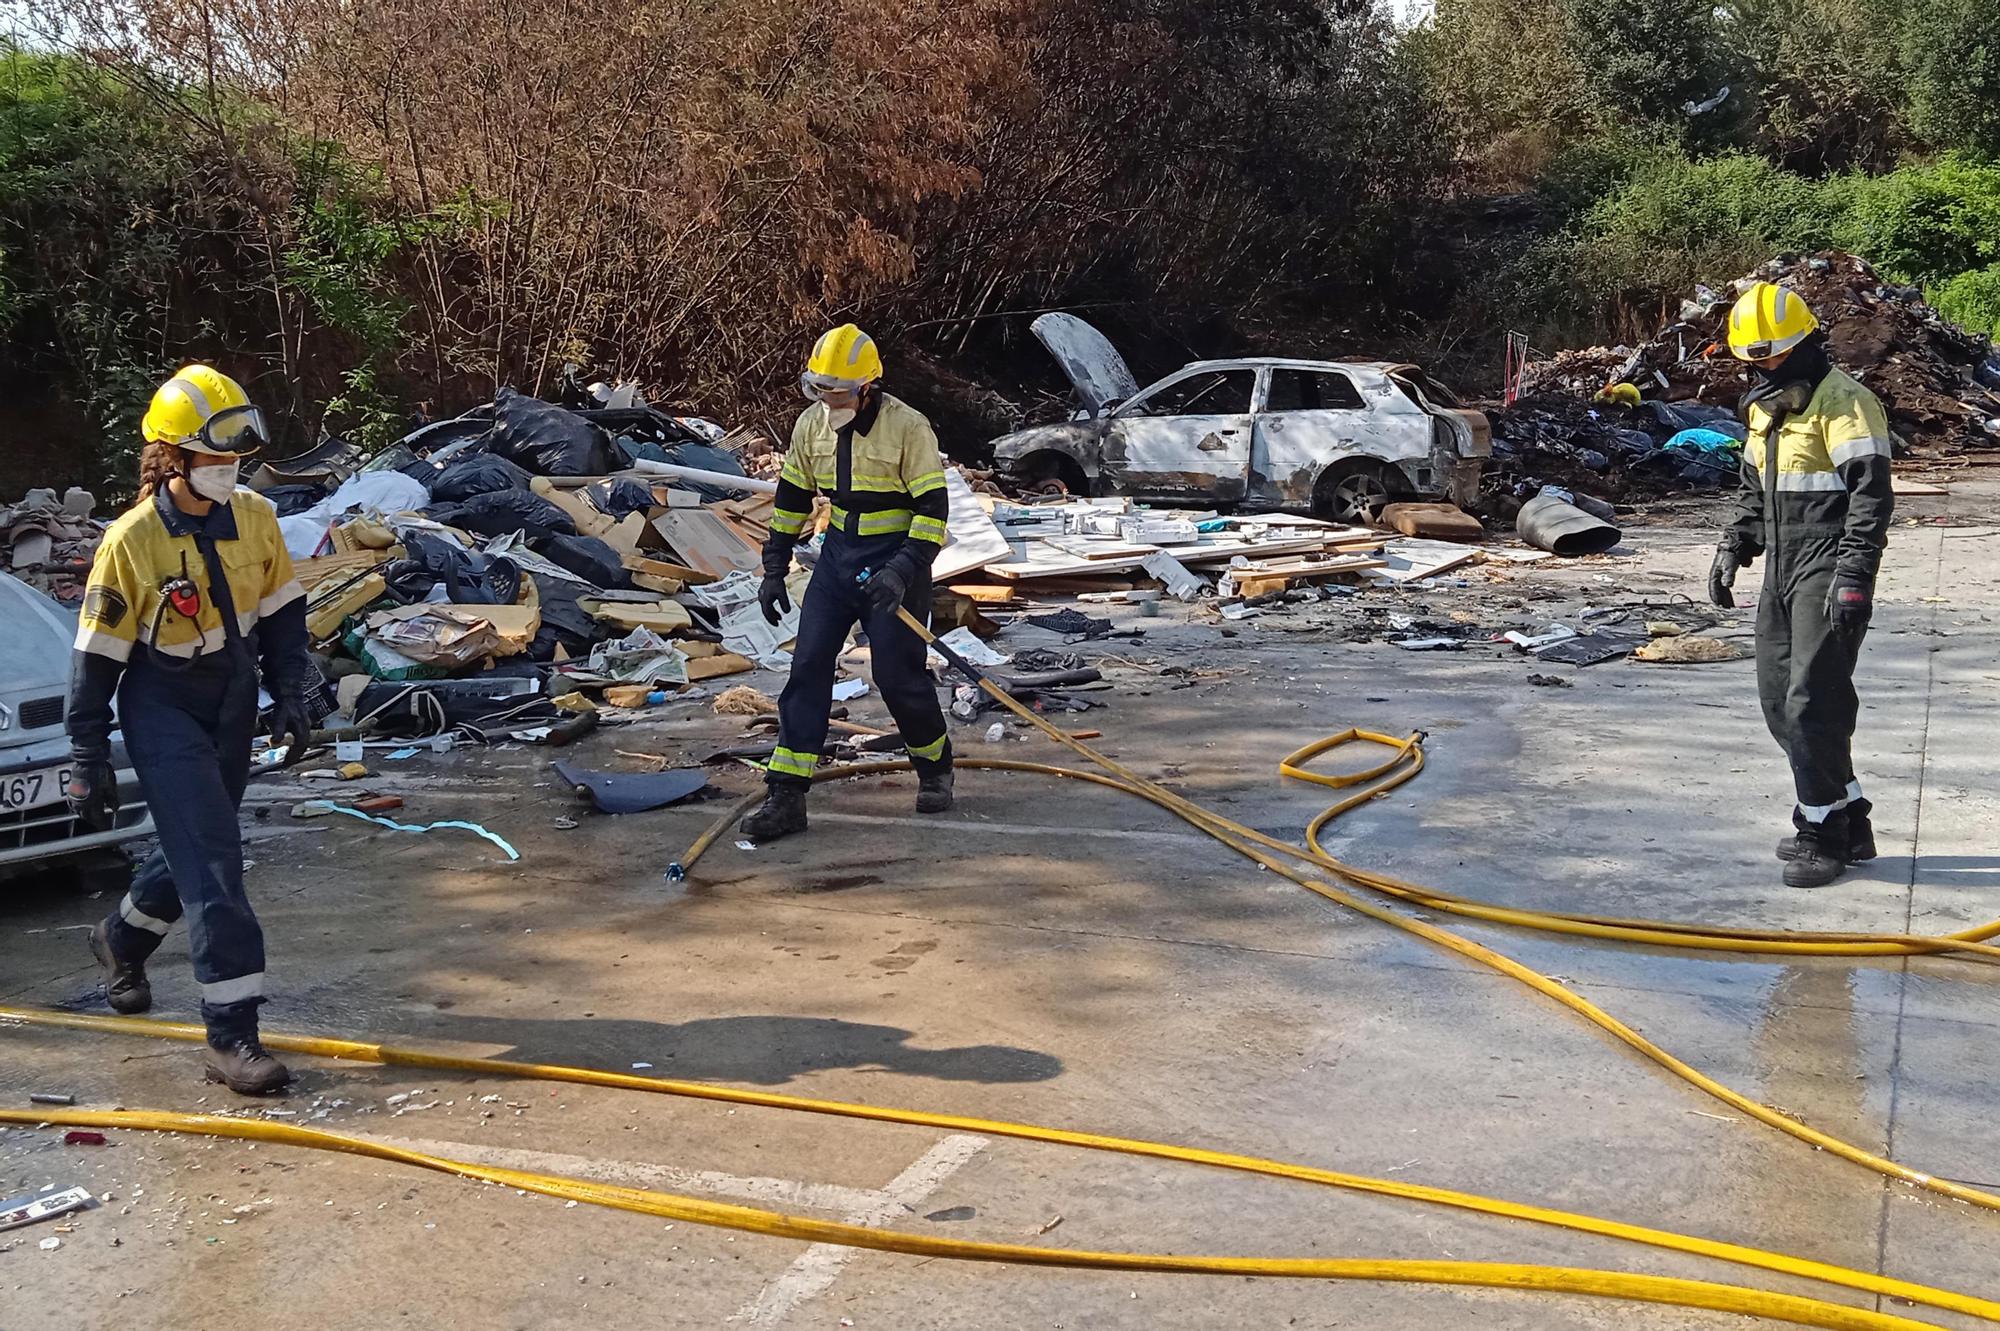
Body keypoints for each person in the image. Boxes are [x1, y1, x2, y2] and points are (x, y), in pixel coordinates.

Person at [67, 365, 314, 1094]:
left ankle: (120, 938)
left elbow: (283, 616)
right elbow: (97, 653)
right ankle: (232, 1036)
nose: (228, 471)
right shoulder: (131, 541)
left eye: (236, 459)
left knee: (192, 846)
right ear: (173, 459)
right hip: (162, 702)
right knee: (213, 858)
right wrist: (87, 751)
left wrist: (292, 692)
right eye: (215, 458)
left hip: (232, 697)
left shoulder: (256, 519)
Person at [1706, 283, 1894, 888]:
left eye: (1771, 355)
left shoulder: (1846, 402)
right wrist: (1735, 544)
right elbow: (1752, 490)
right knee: (1776, 700)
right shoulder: (1765, 405)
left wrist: (1854, 578)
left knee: (1813, 701)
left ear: (1803, 342)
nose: (1761, 366)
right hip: (1782, 568)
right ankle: (1850, 814)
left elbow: (1871, 498)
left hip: (1828, 562)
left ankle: (1822, 834)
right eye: (1753, 359)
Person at [740, 325, 953, 841]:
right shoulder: (809, 427)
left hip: (895, 563)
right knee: (808, 665)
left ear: (867, 387)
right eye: (818, 389)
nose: (826, 400)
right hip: (837, 561)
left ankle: (934, 767)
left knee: (897, 675)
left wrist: (902, 572)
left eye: (836, 391)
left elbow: (933, 512)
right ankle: (786, 795)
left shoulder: (909, 427)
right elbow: (791, 499)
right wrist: (774, 566)